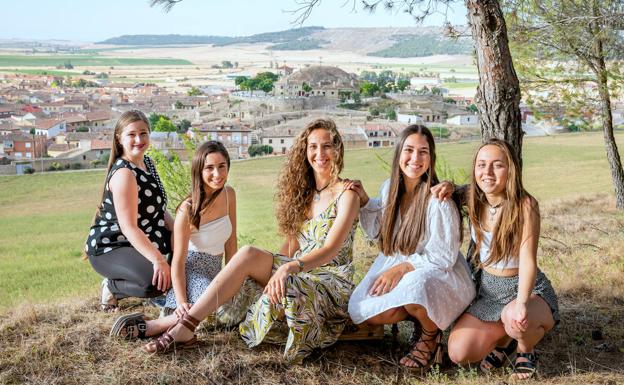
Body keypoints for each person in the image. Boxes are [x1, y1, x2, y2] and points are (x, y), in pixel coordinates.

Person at [141, 118, 360, 364]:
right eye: (313, 147)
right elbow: (289, 247)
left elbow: (330, 250)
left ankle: (183, 326)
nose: (320, 153)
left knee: (245, 282)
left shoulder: (347, 194)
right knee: (244, 266)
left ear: (338, 149)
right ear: (305, 151)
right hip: (299, 270)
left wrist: (289, 267)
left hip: (330, 278)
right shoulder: (306, 194)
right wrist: (270, 271)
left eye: (327, 146)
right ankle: (181, 322)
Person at [345, 124, 475, 372]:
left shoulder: (438, 201)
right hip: (401, 264)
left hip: (440, 272)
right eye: (409, 150)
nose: (415, 159)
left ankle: (430, 335)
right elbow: (378, 230)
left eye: (423, 152)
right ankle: (418, 313)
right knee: (364, 310)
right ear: (398, 153)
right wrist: (363, 199)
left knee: (414, 286)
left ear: (431, 157)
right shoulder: (389, 189)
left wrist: (403, 268)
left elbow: (444, 257)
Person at [447, 139, 559, 380]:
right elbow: (451, 190)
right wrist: (446, 186)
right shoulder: (474, 198)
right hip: (489, 291)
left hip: (526, 288)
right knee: (459, 352)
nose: (487, 172)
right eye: (481, 165)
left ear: (511, 170)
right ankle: (505, 340)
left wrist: (521, 303)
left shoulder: (525, 206)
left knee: (515, 317)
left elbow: (528, 260)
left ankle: (525, 348)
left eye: (497, 165)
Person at [110, 140, 244, 340]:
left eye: (221, 166)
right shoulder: (187, 210)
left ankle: (176, 316)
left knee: (247, 300)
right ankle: (154, 325)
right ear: (199, 170)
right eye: (209, 168)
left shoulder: (229, 194)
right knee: (220, 312)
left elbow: (231, 243)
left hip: (217, 271)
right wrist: (182, 301)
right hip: (192, 271)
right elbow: (179, 262)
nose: (217, 174)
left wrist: (233, 277)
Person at [85, 110, 173, 312]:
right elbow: (129, 228)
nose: (138, 139)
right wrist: (159, 260)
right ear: (119, 138)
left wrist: (180, 231)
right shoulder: (124, 173)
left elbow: (160, 208)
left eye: (143, 133)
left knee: (185, 252)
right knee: (155, 284)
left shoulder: (147, 163)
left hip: (143, 237)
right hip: (113, 245)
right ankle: (112, 286)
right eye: (131, 134)